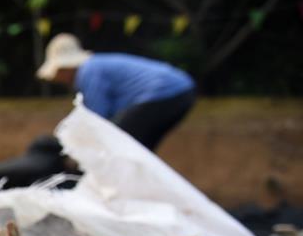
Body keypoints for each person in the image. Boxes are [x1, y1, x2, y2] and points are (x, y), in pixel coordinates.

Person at [37, 33, 196, 150]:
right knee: (138, 148)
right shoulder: (95, 66)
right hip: (182, 92)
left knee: (118, 141)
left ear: (63, 68)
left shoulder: (88, 71)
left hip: (163, 92)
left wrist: (78, 149)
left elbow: (97, 118)